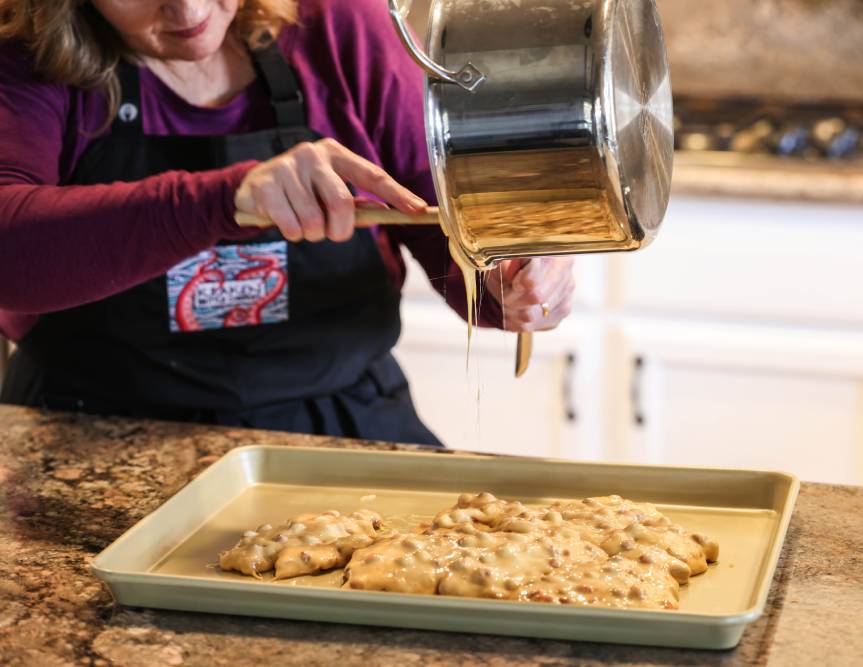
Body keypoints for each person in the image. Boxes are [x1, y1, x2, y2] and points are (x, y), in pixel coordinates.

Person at [0, 0, 575, 444]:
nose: (188, 10)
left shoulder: (339, 23)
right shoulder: (27, 53)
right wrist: (220, 202)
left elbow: (446, 229)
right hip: (89, 435)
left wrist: (509, 280)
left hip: (341, 425)